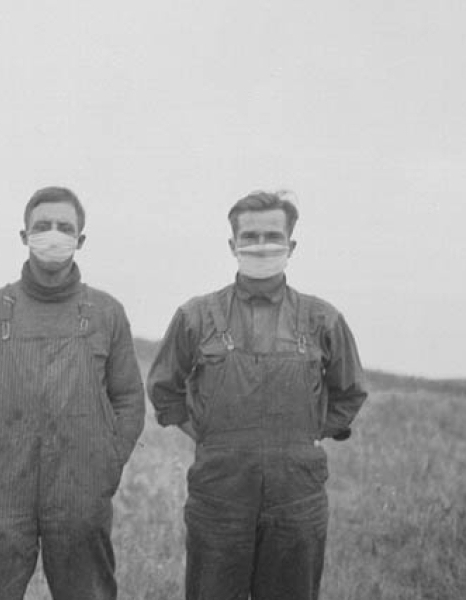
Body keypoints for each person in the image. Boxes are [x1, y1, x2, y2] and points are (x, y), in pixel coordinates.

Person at [147, 190, 368, 600]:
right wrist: (206, 434)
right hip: (219, 496)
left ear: (292, 245)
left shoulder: (323, 318)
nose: (261, 245)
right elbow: (163, 388)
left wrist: (308, 434)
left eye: (272, 235)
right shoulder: (195, 316)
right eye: (250, 236)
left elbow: (350, 391)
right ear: (232, 245)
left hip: (296, 498)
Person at [0, 186, 145, 600]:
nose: (53, 234)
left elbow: (129, 399)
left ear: (80, 240)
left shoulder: (106, 313)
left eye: (64, 227)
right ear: (24, 235)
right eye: (42, 226)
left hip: (80, 491)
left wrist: (107, 466)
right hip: (0, 491)